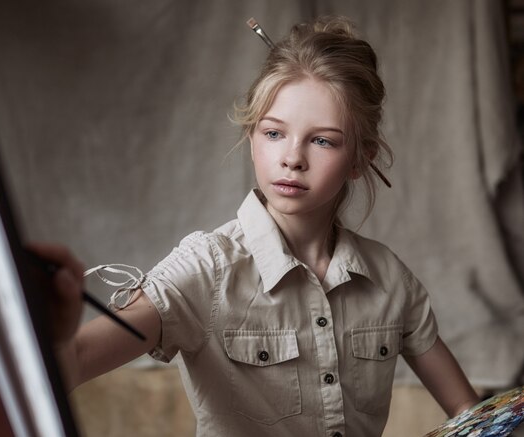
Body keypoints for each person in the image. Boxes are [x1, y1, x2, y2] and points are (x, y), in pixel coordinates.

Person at [31, 16, 480, 437]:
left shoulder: (390, 281)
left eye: (322, 140)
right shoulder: (204, 269)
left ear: (361, 158)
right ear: (251, 140)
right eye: (273, 133)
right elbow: (74, 363)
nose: (292, 157)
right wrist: (56, 331)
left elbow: (472, 418)